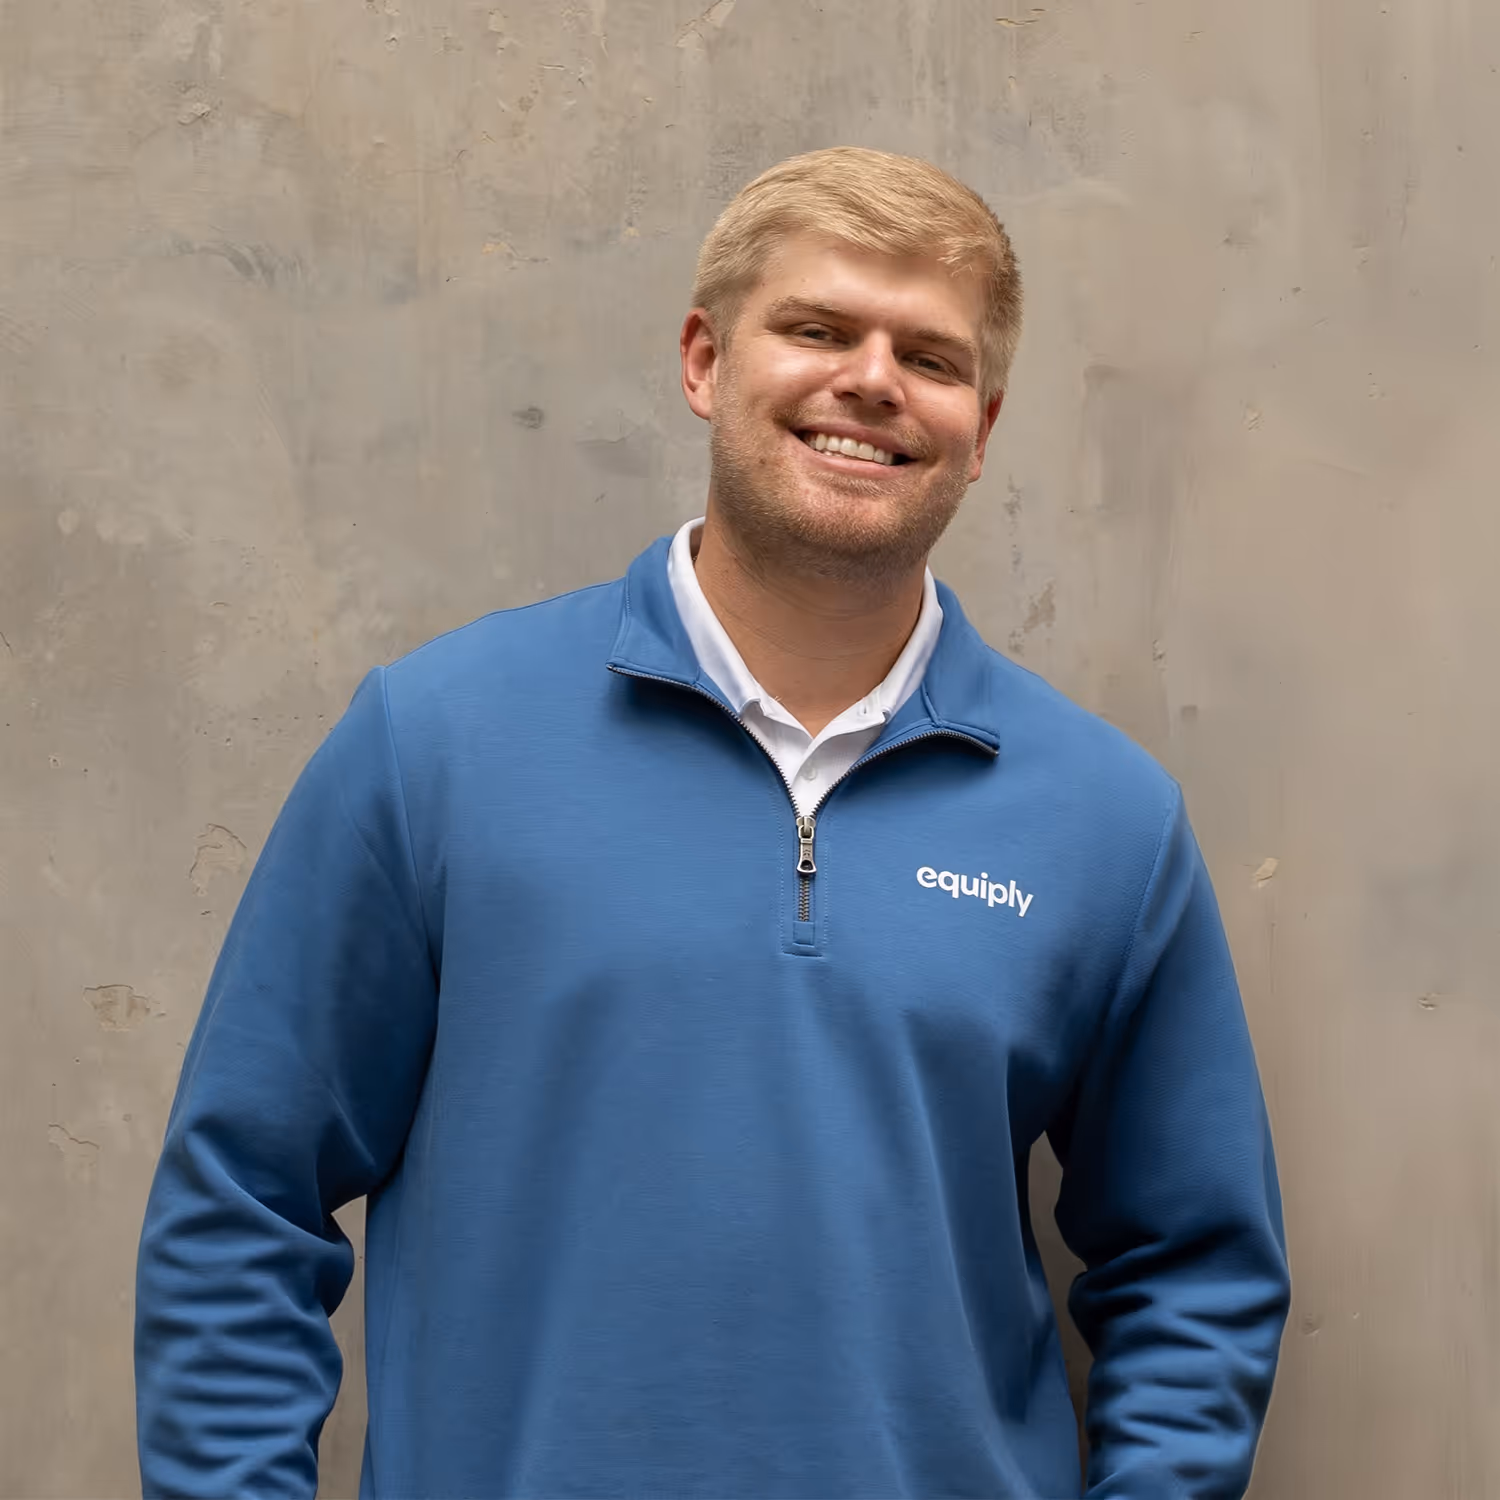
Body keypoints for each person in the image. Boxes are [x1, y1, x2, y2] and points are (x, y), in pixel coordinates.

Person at [135, 146, 1291, 1499]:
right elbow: (242, 1202)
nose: (870, 379)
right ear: (703, 361)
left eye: (928, 354)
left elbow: (1195, 1267)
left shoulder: (1103, 818)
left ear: (982, 425)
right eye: (815, 329)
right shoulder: (437, 741)